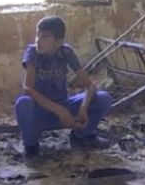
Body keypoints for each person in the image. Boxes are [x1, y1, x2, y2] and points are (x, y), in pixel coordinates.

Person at [15, 16, 112, 157]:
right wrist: (60, 111)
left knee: (103, 98)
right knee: (23, 103)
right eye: (37, 35)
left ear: (58, 41)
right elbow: (27, 88)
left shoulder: (66, 52)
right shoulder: (33, 53)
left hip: (64, 104)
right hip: (40, 109)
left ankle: (82, 135)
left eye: (45, 37)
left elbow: (89, 86)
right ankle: (31, 145)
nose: (38, 41)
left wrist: (83, 108)